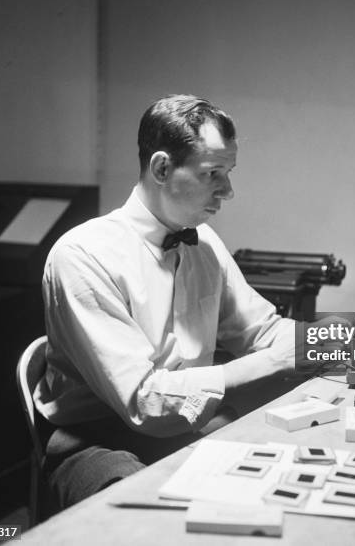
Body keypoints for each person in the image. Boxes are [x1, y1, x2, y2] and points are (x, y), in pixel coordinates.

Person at [34, 94, 299, 509]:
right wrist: (272, 362)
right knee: (158, 519)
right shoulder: (82, 255)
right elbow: (146, 402)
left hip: (176, 428)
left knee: (279, 477)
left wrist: (348, 339)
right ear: (161, 168)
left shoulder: (203, 240)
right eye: (213, 173)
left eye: (228, 173)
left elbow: (260, 330)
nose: (228, 191)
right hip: (97, 443)